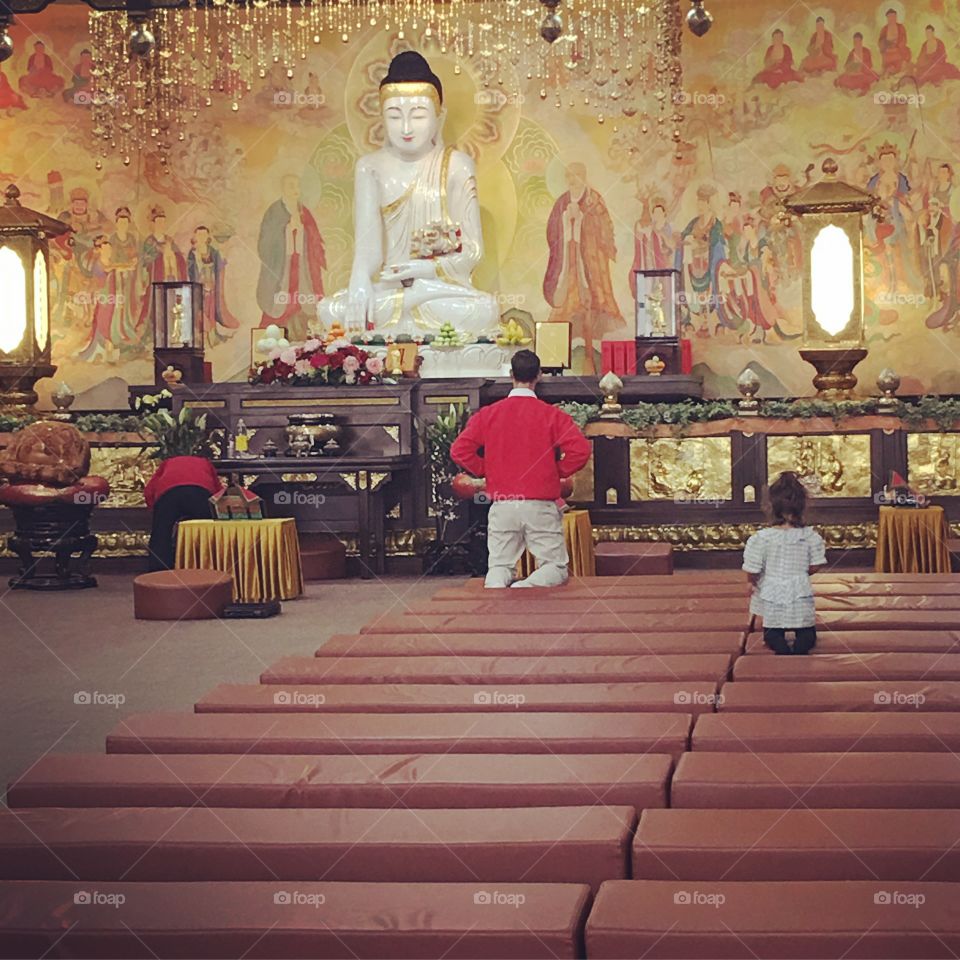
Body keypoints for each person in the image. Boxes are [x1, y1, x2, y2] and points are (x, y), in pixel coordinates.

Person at [451, 349, 591, 588]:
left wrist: (487, 470)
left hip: (503, 501)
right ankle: (524, 587)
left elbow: (459, 450)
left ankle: (495, 610)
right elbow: (581, 450)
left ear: (510, 374)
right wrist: (555, 471)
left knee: (499, 567)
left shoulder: (489, 414)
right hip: (540, 502)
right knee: (554, 567)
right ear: (539, 375)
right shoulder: (552, 415)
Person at [742, 471, 827, 655]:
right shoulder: (810, 537)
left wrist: (752, 582)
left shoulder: (761, 539)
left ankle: (782, 653)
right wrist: (801, 573)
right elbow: (816, 564)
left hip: (772, 590)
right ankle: (799, 652)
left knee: (772, 634)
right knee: (807, 635)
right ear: (803, 506)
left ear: (770, 506)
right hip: (800, 589)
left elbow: (753, 568)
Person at [144, 454, 222, 571]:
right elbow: (218, 491)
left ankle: (158, 570)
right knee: (205, 530)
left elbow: (150, 489)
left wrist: (155, 510)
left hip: (169, 492)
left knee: (161, 532)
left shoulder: (167, 462)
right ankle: (207, 566)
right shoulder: (205, 462)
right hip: (200, 492)